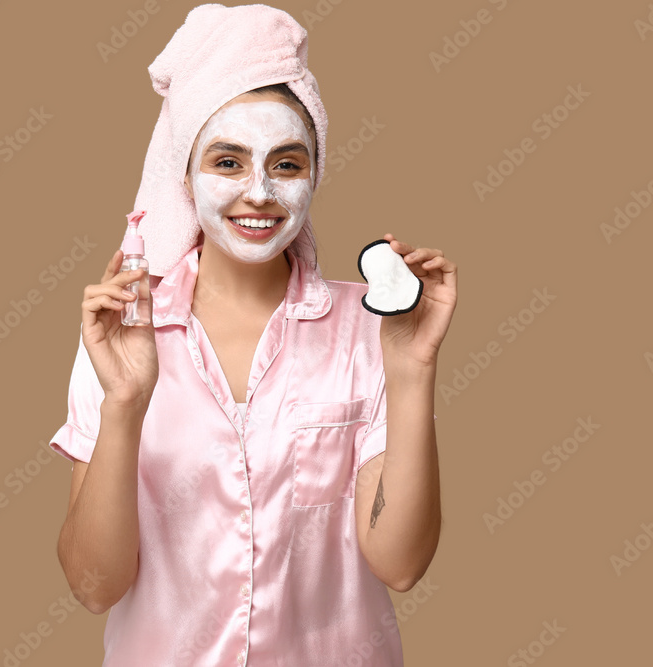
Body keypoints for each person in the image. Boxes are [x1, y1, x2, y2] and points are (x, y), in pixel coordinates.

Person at [49, 5, 457, 665]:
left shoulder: (373, 332)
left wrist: (411, 372)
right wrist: (124, 404)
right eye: (229, 161)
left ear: (314, 175)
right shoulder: (120, 334)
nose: (259, 191)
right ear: (186, 175)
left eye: (286, 164)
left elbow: (401, 565)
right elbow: (95, 586)